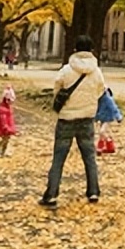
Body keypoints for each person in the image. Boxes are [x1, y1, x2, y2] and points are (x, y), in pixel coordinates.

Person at [40, 35, 107, 207]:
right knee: (89, 157)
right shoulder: (97, 72)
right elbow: (100, 92)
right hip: (86, 118)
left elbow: (57, 90)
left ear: (75, 49)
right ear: (91, 50)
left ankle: (51, 194)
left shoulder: (66, 70)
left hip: (66, 119)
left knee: (59, 158)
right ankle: (93, 191)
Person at [0, 85, 18, 157]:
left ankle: (3, 151)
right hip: (3, 128)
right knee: (4, 139)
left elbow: (10, 119)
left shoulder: (8, 109)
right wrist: (6, 128)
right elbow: (3, 121)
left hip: (7, 128)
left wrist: (11, 128)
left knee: (7, 139)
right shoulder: (2, 110)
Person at [95, 87, 123, 154]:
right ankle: (108, 146)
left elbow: (114, 108)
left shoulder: (107, 99)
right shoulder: (98, 99)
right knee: (102, 133)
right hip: (102, 117)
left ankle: (106, 145)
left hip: (108, 117)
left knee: (102, 132)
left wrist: (118, 116)